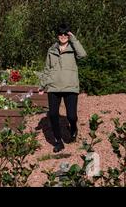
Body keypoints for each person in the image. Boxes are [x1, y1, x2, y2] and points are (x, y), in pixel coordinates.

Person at [38, 23, 87, 153]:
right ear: (57, 35)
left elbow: (83, 54)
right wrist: (42, 85)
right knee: (53, 115)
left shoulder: (73, 48)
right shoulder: (52, 50)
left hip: (70, 87)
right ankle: (58, 141)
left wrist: (74, 39)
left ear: (69, 35)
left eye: (66, 34)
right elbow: (47, 68)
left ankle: (73, 127)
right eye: (61, 34)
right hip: (54, 87)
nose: (63, 36)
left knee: (71, 116)